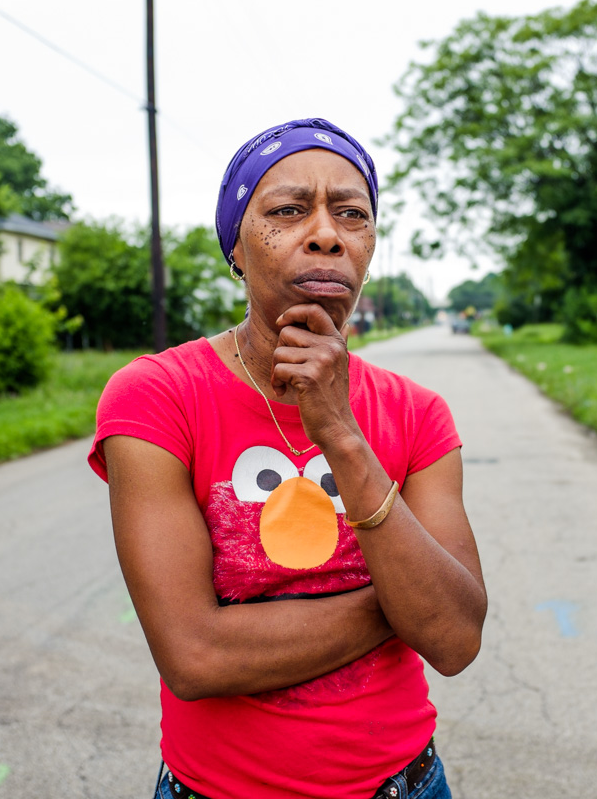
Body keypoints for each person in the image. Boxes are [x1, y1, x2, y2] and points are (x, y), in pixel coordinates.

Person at [88, 118, 487, 799]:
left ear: (368, 247)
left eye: (352, 214)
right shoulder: (158, 396)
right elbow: (195, 656)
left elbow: (452, 641)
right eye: (288, 210)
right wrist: (403, 605)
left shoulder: (417, 413)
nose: (327, 233)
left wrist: (341, 435)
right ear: (236, 247)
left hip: (403, 784)